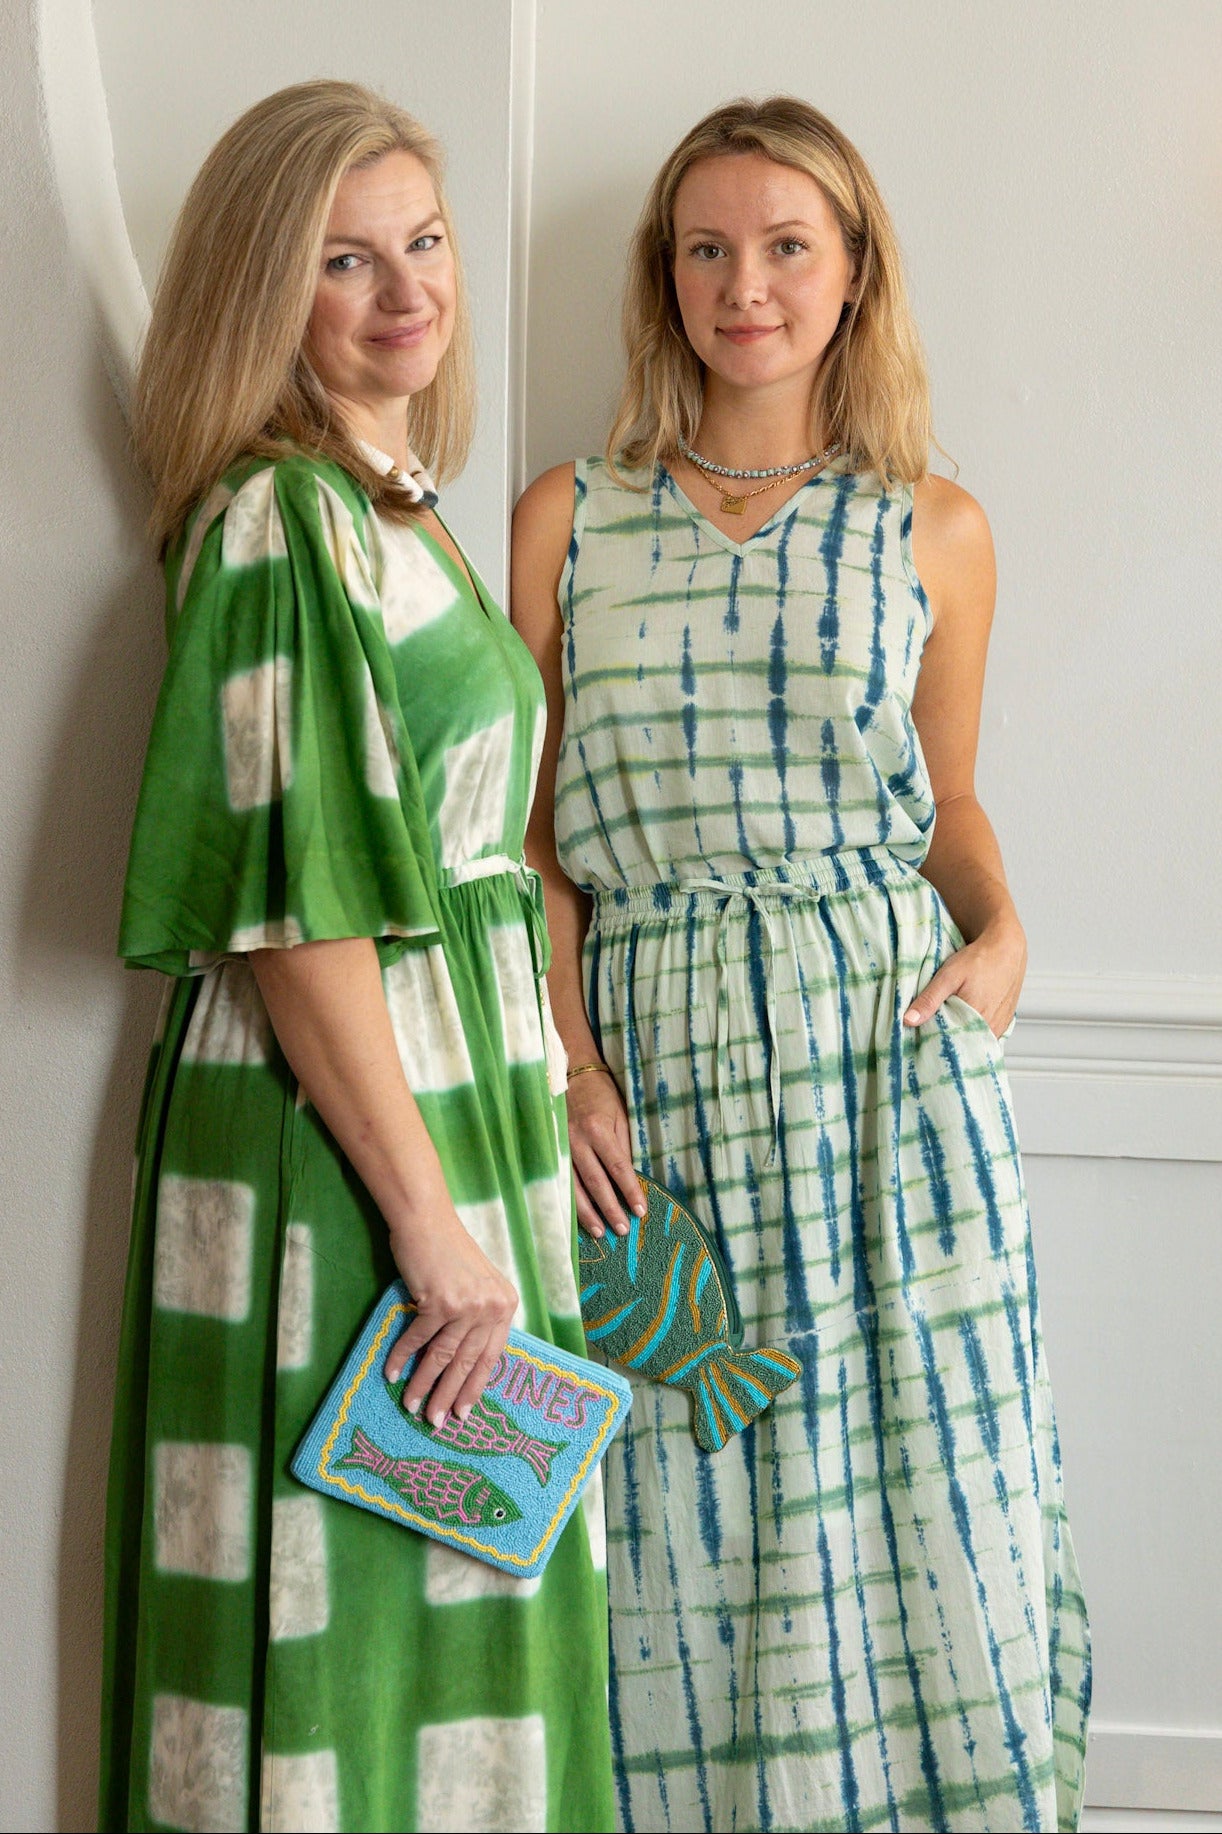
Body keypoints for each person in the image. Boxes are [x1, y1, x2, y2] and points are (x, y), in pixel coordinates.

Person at [513, 95, 1090, 1834]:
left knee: (923, 1488)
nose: (742, 286)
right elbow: (529, 844)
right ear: (663, 276)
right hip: (655, 1058)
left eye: (783, 247)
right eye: (706, 249)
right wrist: (570, 1063)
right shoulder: (567, 517)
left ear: (853, 276)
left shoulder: (932, 524)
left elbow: (948, 801)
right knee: (679, 1501)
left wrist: (1003, 927)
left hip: (883, 1068)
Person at [100, 80, 613, 1834]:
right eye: (344, 260)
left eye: (424, 241)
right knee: (355, 1593)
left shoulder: (397, 505)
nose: (407, 292)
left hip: (459, 1102)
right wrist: (424, 1218)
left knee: (458, 1576)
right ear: (265, 291)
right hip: (350, 1133)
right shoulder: (277, 521)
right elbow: (298, 916)